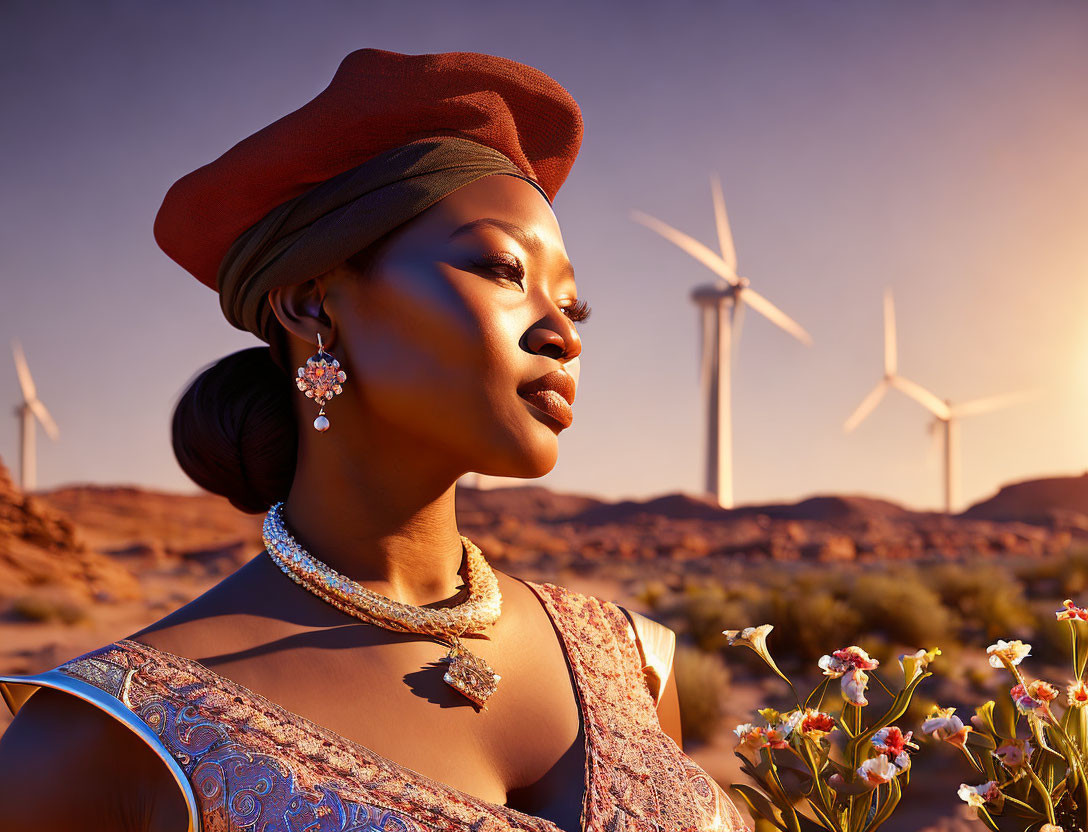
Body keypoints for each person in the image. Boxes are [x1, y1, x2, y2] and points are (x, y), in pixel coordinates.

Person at [0, 48, 752, 832]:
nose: (563, 333)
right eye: (502, 268)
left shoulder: (630, 662)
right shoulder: (106, 740)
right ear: (309, 304)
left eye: (575, 306)